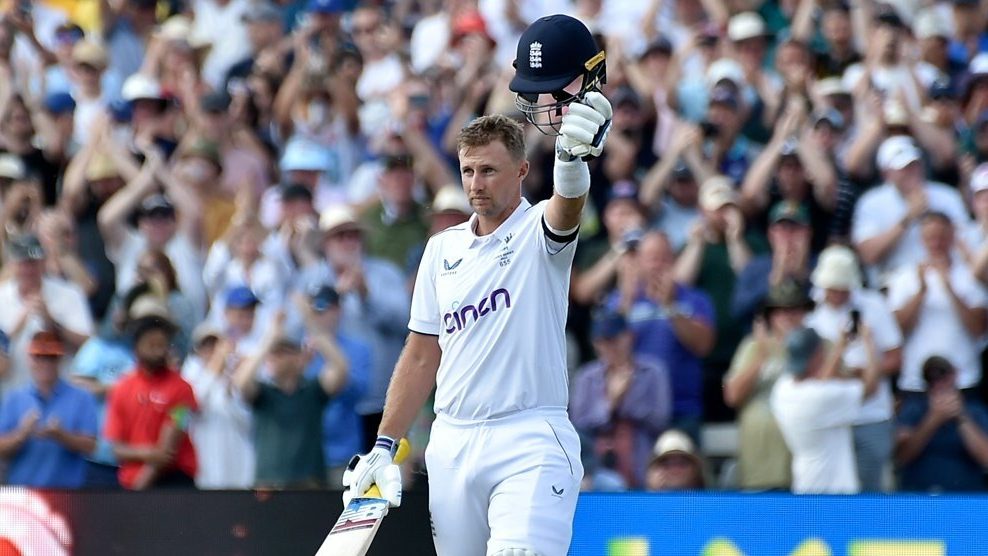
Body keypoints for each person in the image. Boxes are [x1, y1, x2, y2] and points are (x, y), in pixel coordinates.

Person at [343, 15, 613, 556]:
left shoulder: (539, 232)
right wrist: (384, 444)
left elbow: (567, 208)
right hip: (452, 441)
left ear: (521, 172)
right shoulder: (441, 250)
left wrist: (571, 159)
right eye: (468, 171)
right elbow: (422, 354)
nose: (475, 184)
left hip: (530, 438)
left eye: (489, 170)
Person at [804, 246, 904, 492]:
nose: (838, 294)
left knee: (869, 490)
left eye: (843, 288)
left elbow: (895, 358)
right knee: (831, 492)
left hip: (871, 415)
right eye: (833, 288)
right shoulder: (810, 314)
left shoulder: (874, 305)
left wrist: (864, 371)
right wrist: (848, 373)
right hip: (831, 419)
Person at [232, 312, 348, 488]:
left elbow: (341, 369)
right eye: (271, 353)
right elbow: (241, 383)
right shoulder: (264, 393)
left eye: (281, 353)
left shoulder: (313, 390)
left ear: (298, 357)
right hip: (268, 484)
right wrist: (268, 340)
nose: (272, 358)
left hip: (310, 484)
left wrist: (312, 324)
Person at [724, 279, 815, 491]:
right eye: (781, 310)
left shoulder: (819, 346)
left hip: (807, 470)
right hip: (760, 465)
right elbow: (732, 396)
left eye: (795, 309)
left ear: (805, 312)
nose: (789, 316)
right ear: (769, 316)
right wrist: (761, 356)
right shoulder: (751, 346)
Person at [770, 326, 883, 494]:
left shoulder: (782, 388)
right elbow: (871, 388)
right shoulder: (821, 397)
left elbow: (820, 381)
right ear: (817, 355)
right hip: (833, 492)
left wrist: (840, 348)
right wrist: (869, 341)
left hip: (805, 484)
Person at [570, 311, 671, 488]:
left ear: (629, 337)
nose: (609, 347)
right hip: (596, 465)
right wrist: (610, 403)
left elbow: (660, 419)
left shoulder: (653, 371)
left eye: (614, 339)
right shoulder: (586, 376)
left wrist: (626, 400)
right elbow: (579, 424)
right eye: (602, 341)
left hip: (642, 456)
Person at [104, 309, 199, 490]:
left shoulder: (183, 390)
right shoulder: (121, 389)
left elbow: (169, 447)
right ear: (136, 346)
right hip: (131, 481)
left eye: (162, 345)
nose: (158, 351)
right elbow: (115, 448)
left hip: (174, 482)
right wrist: (148, 454)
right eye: (151, 344)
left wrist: (139, 490)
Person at [0, 331, 98, 488]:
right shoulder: (14, 398)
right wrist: (21, 434)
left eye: (51, 357)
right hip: (23, 493)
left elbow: (91, 446)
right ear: (30, 358)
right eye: (39, 356)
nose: (45, 363)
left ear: (60, 358)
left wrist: (62, 435)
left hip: (67, 493)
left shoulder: (81, 397)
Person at [896, 356, 988, 492]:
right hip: (919, 494)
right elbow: (902, 458)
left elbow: (986, 458)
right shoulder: (913, 409)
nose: (939, 384)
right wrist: (933, 419)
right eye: (932, 379)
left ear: (954, 375)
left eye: (943, 376)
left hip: (966, 495)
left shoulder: (975, 410)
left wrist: (961, 417)